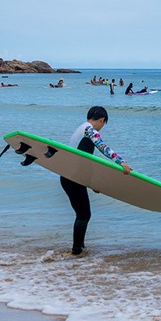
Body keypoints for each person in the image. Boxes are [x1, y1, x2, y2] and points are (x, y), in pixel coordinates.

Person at [64, 106, 132, 255]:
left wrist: (91, 183)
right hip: (73, 178)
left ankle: (80, 248)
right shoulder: (90, 130)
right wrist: (121, 162)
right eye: (103, 124)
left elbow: (82, 160)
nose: (101, 128)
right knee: (84, 215)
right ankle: (76, 251)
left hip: (69, 176)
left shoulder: (80, 129)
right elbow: (103, 147)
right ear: (102, 120)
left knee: (82, 214)